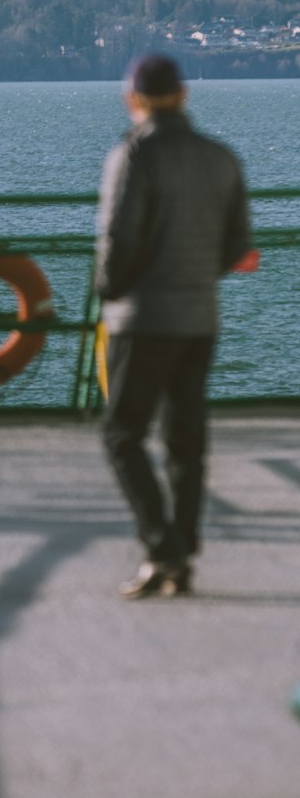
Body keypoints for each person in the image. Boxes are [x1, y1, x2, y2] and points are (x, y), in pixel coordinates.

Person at [95, 54, 250, 598]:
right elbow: (236, 245)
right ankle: (180, 554)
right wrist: (194, 277)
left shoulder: (134, 154)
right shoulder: (221, 158)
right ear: (183, 95)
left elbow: (120, 238)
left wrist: (109, 291)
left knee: (121, 433)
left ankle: (162, 547)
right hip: (199, 317)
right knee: (186, 438)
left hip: (143, 319)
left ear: (132, 99)